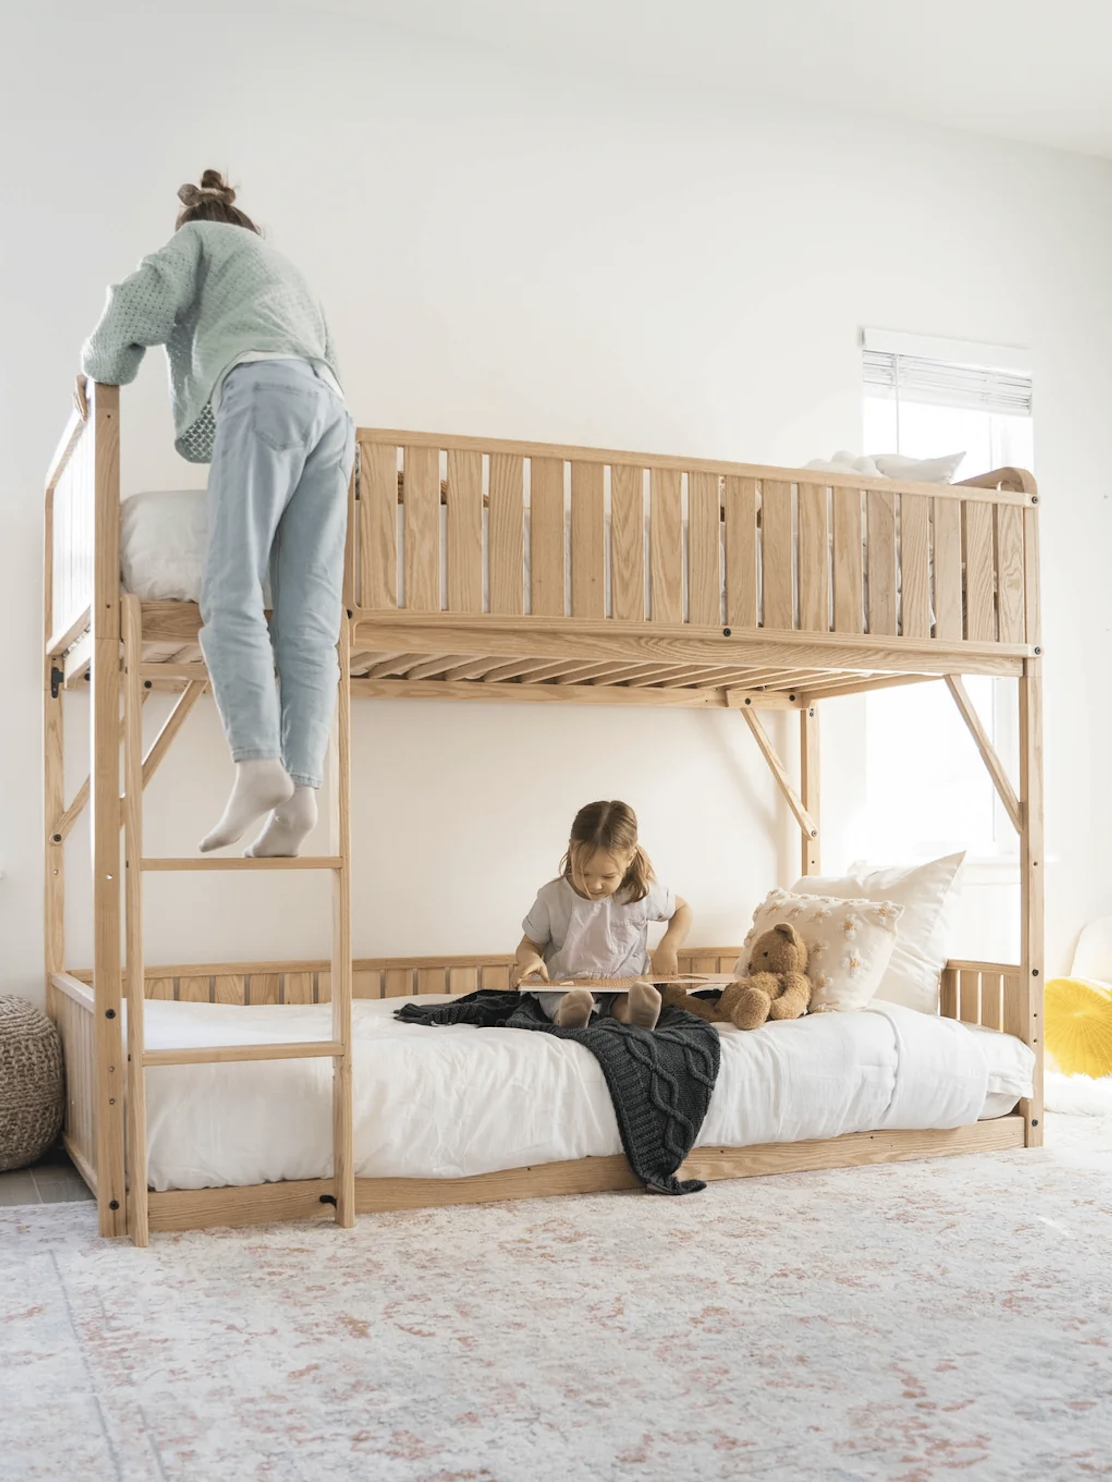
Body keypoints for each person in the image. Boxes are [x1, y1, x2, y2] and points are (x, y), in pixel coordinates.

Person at [81, 170, 355, 857]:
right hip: (334, 415)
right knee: (310, 619)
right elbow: (325, 367)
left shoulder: (198, 239)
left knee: (229, 585)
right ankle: (302, 794)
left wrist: (95, 366)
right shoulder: (286, 273)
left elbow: (138, 302)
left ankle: (257, 762)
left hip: (264, 389)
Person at [512, 800, 692, 1030]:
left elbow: (683, 910)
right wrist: (531, 960)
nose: (593, 885)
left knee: (629, 997)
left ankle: (634, 1015)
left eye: (607, 877)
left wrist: (669, 946)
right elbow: (529, 944)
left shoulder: (640, 892)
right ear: (571, 849)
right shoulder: (552, 897)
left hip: (622, 983)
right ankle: (569, 1015)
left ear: (629, 858)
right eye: (583, 872)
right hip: (566, 984)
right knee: (561, 1000)